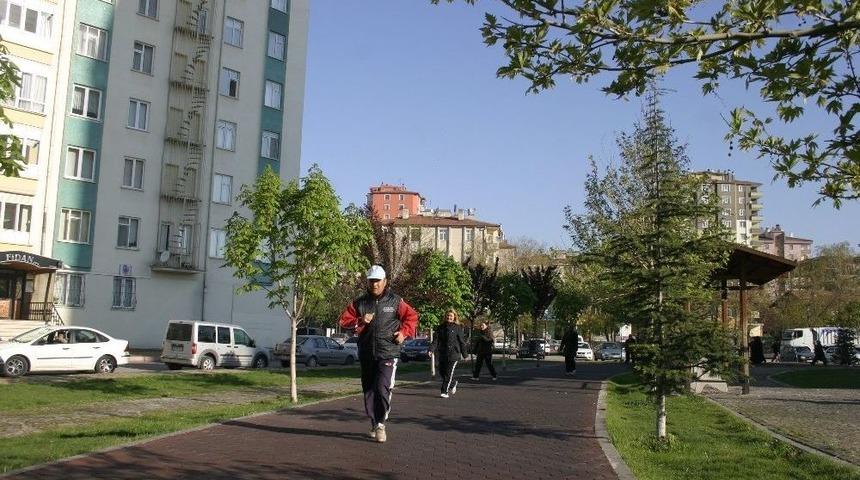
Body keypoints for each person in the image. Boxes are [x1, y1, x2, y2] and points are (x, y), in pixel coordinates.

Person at [339, 265, 418, 443]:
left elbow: (412, 317)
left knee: (382, 387)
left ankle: (381, 423)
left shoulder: (396, 301)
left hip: (388, 351)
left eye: (377, 281)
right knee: (369, 391)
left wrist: (404, 333)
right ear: (367, 282)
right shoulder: (359, 303)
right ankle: (374, 422)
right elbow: (343, 321)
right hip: (366, 353)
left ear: (385, 282)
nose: (374, 284)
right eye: (371, 281)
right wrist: (360, 320)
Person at [430, 309, 467, 398]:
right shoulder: (440, 327)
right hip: (443, 353)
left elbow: (462, 342)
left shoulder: (458, 328)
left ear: (454, 317)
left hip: (454, 354)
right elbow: (435, 340)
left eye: (451, 316)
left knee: (448, 373)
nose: (449, 317)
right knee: (442, 372)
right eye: (447, 315)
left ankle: (444, 391)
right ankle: (453, 383)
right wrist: (431, 350)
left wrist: (465, 355)